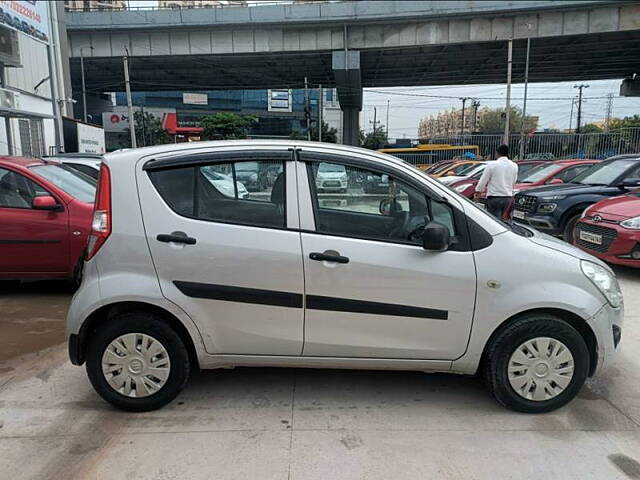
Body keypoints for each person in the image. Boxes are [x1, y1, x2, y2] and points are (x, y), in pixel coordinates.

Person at [474, 144, 518, 219]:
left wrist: (478, 191)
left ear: (497, 153)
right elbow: (514, 181)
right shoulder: (514, 166)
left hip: (494, 199)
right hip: (508, 198)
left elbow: (483, 180)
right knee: (506, 223)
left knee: (495, 222)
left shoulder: (492, 165)